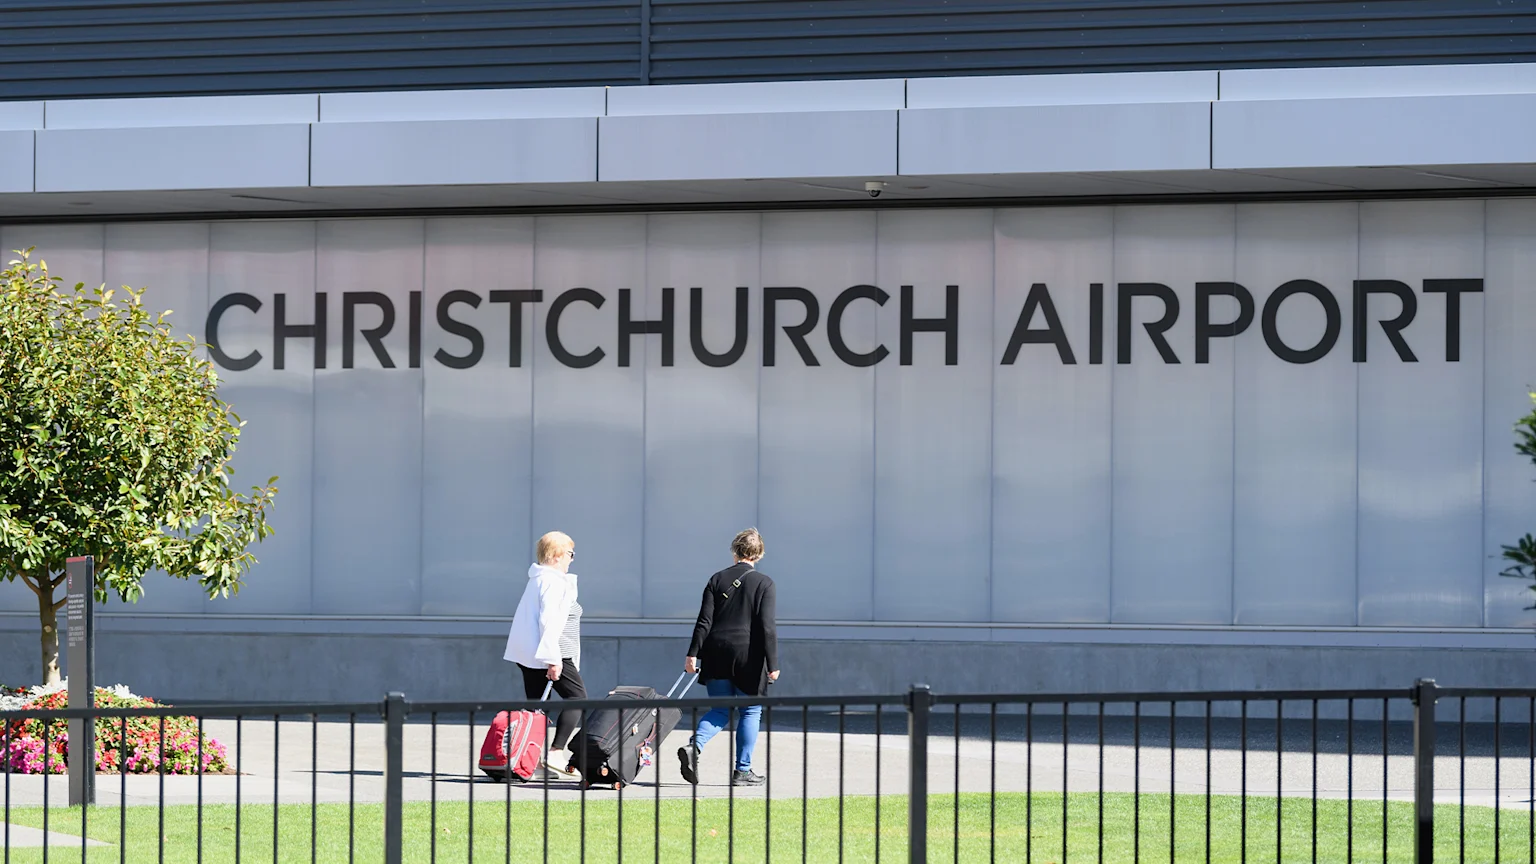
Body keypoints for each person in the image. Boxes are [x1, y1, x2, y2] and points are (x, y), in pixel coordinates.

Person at [678, 528, 780, 787]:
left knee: (721, 709)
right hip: (749, 655)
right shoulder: (764, 583)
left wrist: (693, 654)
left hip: (716, 652)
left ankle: (695, 746)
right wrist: (773, 664)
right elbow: (767, 626)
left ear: (735, 551)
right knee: (751, 710)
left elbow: (704, 621)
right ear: (760, 554)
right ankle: (742, 771)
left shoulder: (716, 579)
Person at [504, 530, 585, 781]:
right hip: (552, 651)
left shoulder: (538, 579)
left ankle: (531, 760)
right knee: (577, 698)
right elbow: (549, 621)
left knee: (537, 707)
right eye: (571, 553)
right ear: (558, 554)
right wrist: (553, 658)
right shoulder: (553, 582)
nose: (572, 558)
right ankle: (556, 752)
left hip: (528, 654)